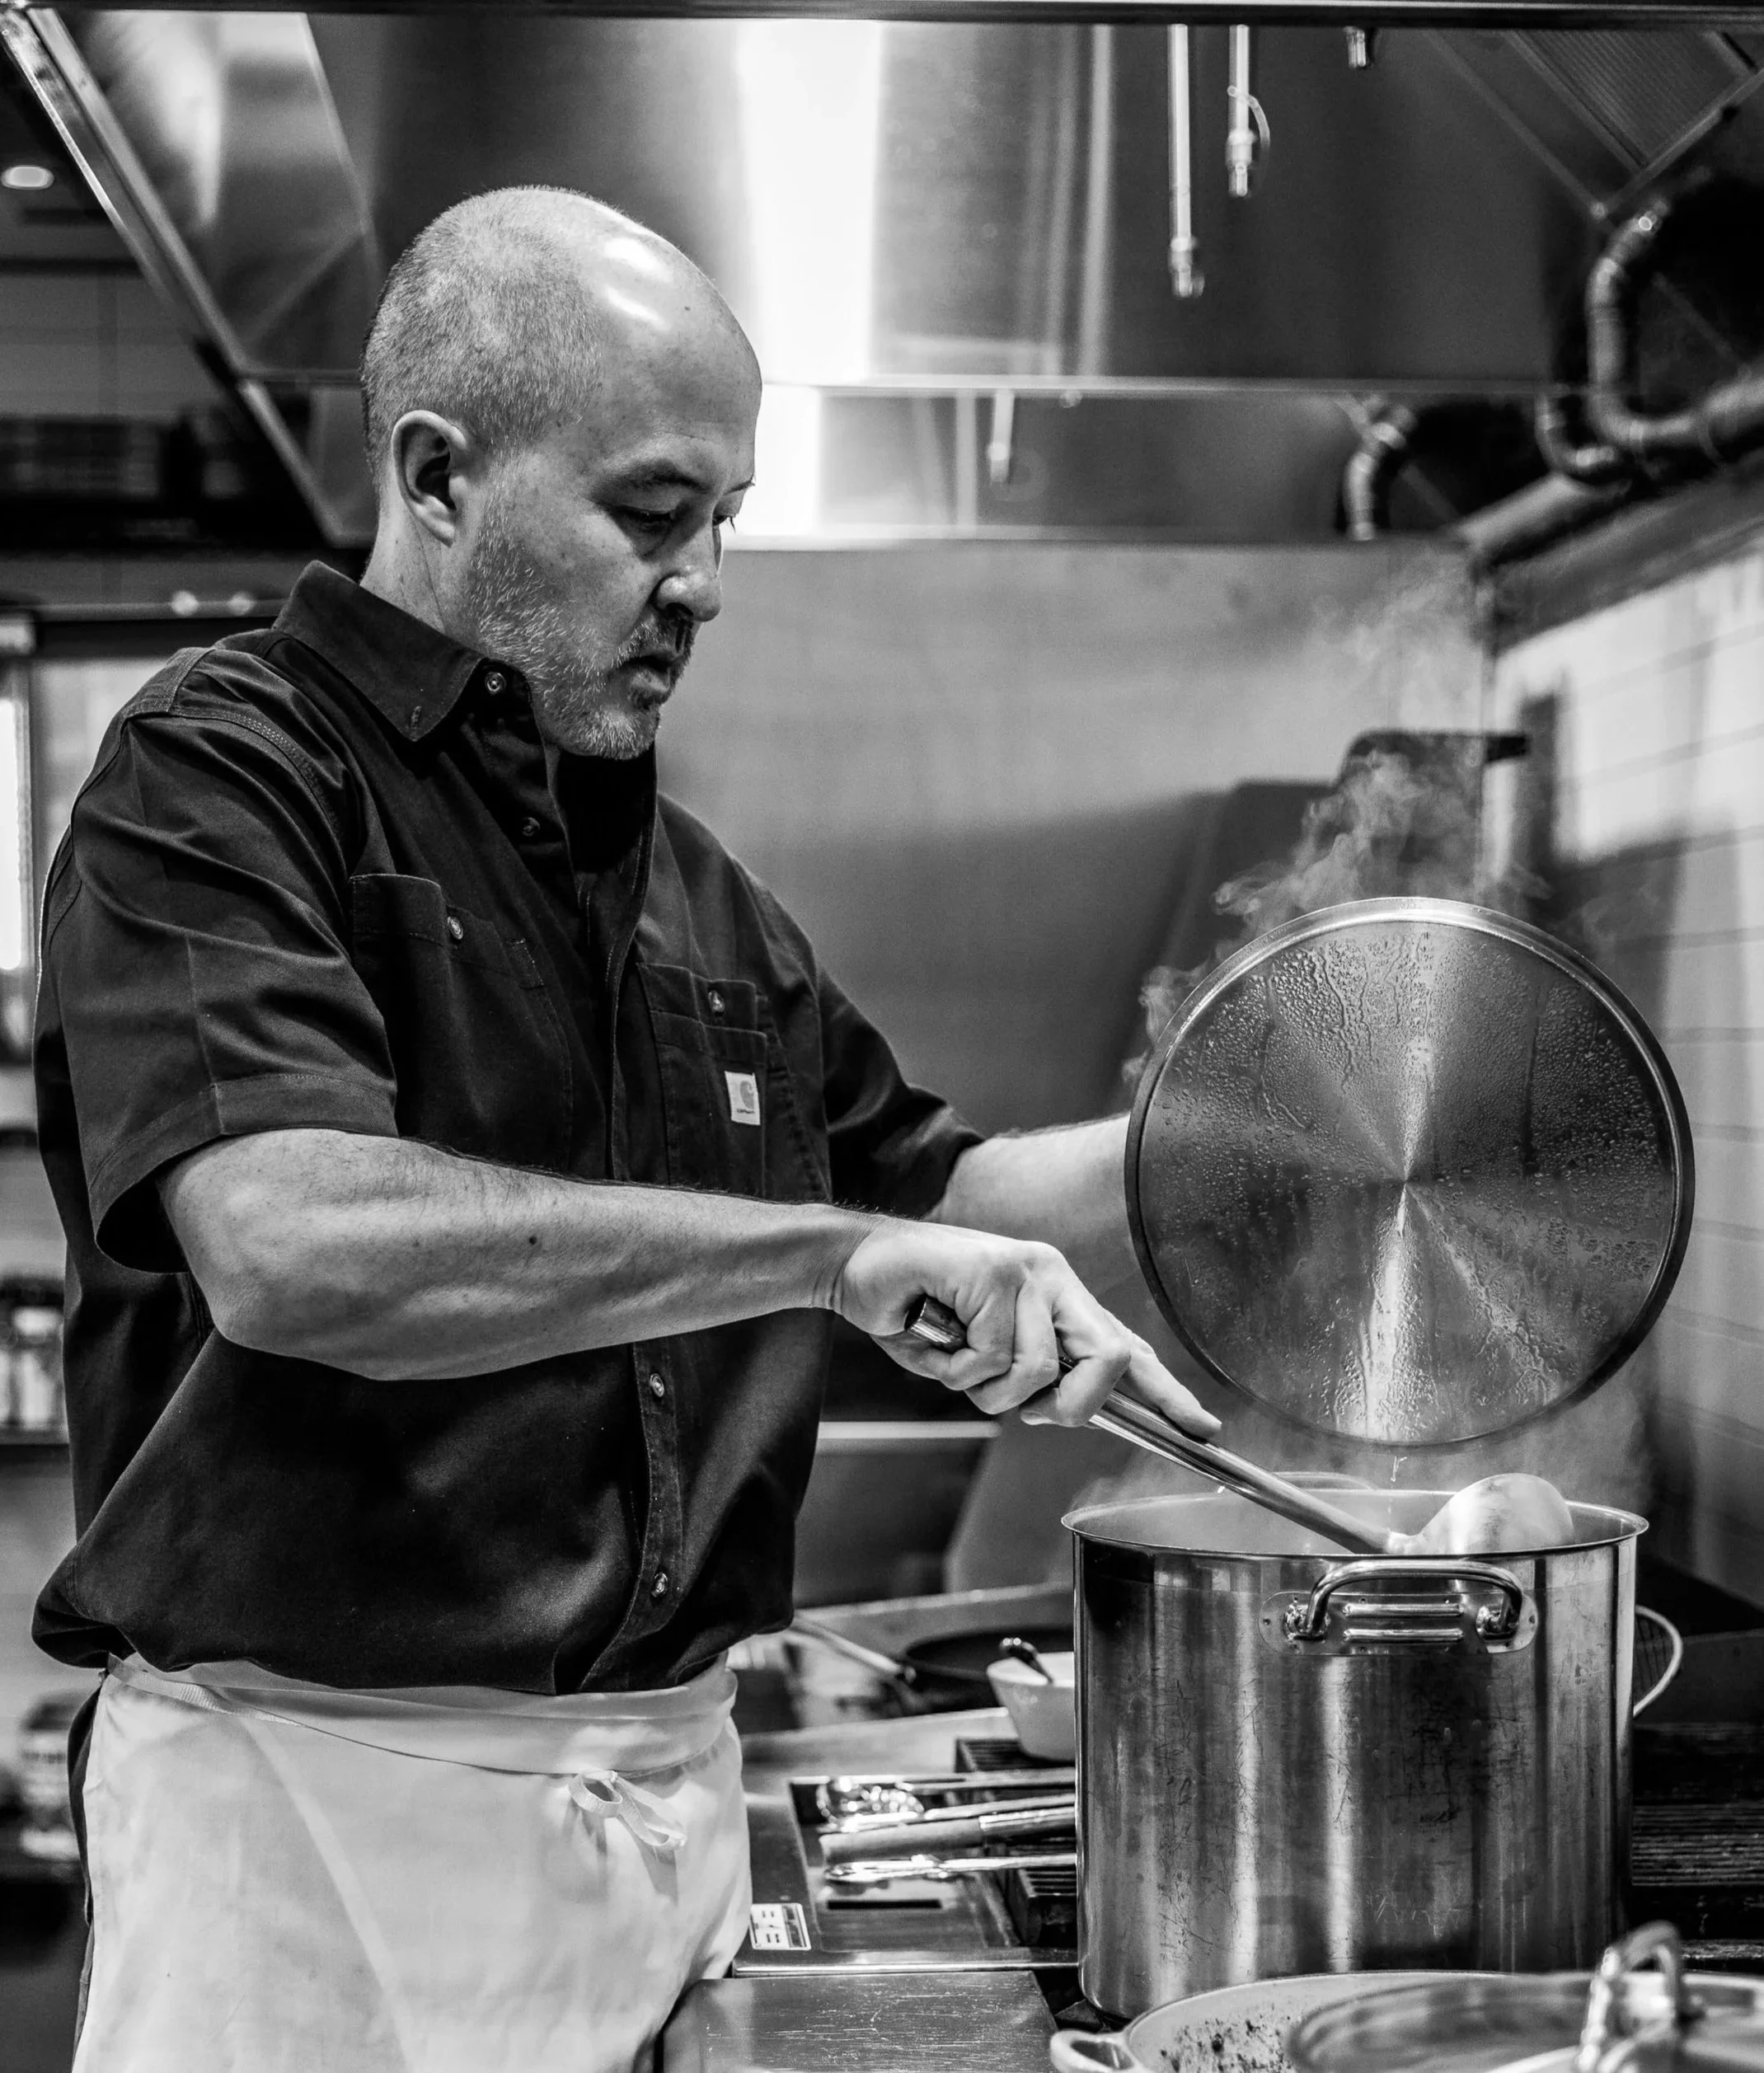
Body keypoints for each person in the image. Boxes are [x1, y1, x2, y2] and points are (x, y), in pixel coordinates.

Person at [32, 187, 1217, 2073]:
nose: (705, 583)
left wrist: (1247, 1141)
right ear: (437, 476)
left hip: (659, 1816)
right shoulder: (218, 778)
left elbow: (932, 1190)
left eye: (723, 522)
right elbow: (294, 1248)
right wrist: (832, 1259)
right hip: (319, 1848)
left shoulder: (687, 885)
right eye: (653, 515)